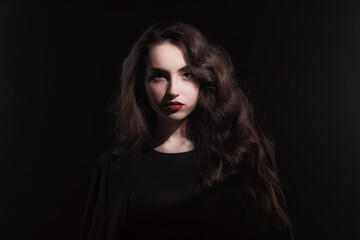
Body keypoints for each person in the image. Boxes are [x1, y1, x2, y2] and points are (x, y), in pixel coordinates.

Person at [80, 22, 294, 240]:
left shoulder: (236, 157)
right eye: (159, 76)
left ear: (204, 78)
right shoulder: (115, 167)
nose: (173, 90)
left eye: (186, 74)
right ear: (141, 85)